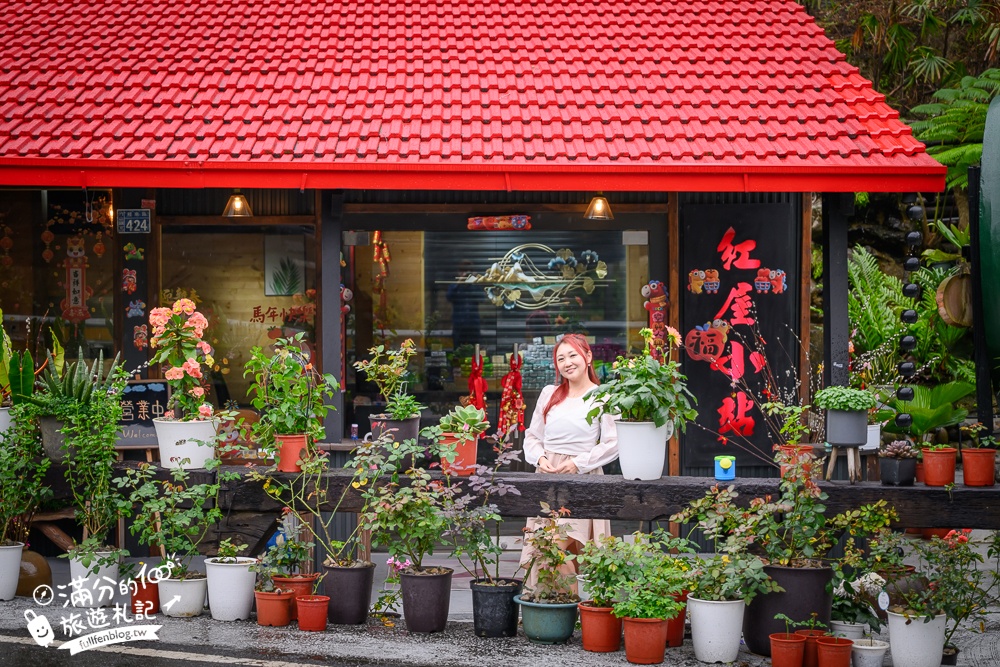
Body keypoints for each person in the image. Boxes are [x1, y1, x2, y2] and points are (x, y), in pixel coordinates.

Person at [518, 333, 619, 592]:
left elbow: (613, 442)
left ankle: (574, 606)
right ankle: (560, 607)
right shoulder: (549, 393)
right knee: (543, 550)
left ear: (587, 357)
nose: (567, 362)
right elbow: (532, 436)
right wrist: (540, 458)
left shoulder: (602, 396)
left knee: (557, 547)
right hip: (547, 476)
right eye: (560, 358)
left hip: (583, 479)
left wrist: (579, 463)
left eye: (572, 355)